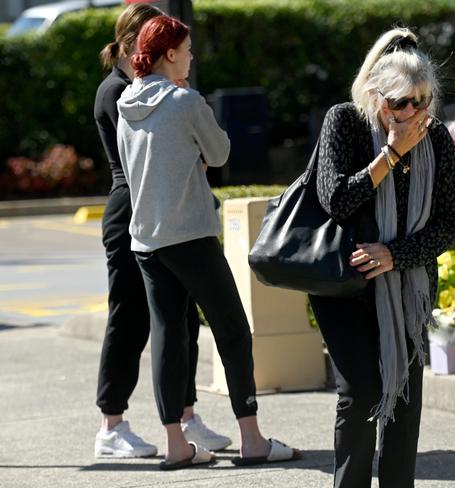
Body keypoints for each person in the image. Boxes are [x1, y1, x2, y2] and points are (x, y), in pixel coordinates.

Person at [116, 14, 301, 470]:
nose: (192, 58)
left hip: (146, 241)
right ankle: (252, 440)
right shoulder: (185, 101)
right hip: (192, 235)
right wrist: (194, 156)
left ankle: (176, 446)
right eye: (189, 50)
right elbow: (220, 153)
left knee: (167, 338)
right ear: (171, 53)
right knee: (233, 331)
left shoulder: (125, 104)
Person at [309, 28, 455, 488]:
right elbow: (335, 199)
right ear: (375, 96)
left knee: (405, 400)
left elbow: (447, 223)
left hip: (407, 287)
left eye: (422, 100)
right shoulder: (345, 122)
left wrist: (395, 256)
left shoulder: (436, 138)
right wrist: (392, 152)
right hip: (345, 285)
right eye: (400, 102)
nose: (412, 112)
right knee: (360, 394)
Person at [93, 3, 230, 458]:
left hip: (160, 215)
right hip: (134, 214)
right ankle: (111, 423)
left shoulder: (147, 88)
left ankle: (187, 415)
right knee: (129, 318)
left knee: (183, 320)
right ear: (138, 39)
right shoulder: (117, 91)